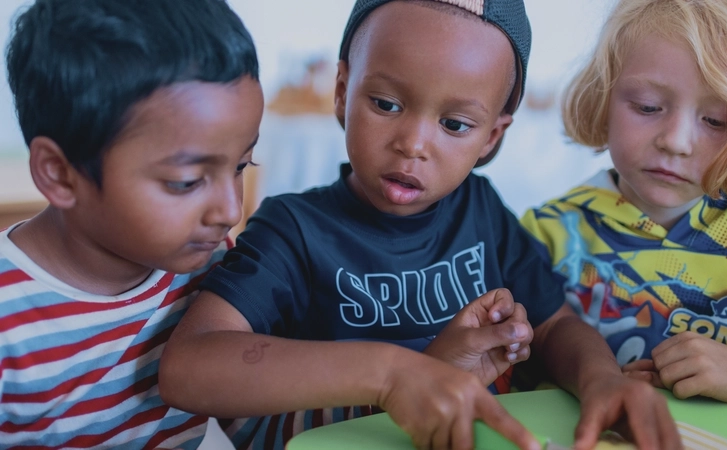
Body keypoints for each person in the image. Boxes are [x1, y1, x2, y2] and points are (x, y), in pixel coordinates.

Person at [160, 1, 680, 449]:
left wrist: (601, 381)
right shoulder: (293, 229)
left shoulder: (480, 210)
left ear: (492, 139)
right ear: (342, 92)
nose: (413, 143)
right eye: (385, 104)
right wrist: (393, 375)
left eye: (454, 124)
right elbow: (189, 366)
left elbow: (556, 324)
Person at [0, 0, 263, 447]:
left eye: (241, 166)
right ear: (61, 174)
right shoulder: (11, 324)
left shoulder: (212, 268)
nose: (229, 212)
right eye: (185, 182)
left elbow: (256, 418)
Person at [521, 0, 727, 405]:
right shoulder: (544, 234)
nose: (675, 141)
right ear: (603, 96)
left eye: (716, 121)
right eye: (648, 107)